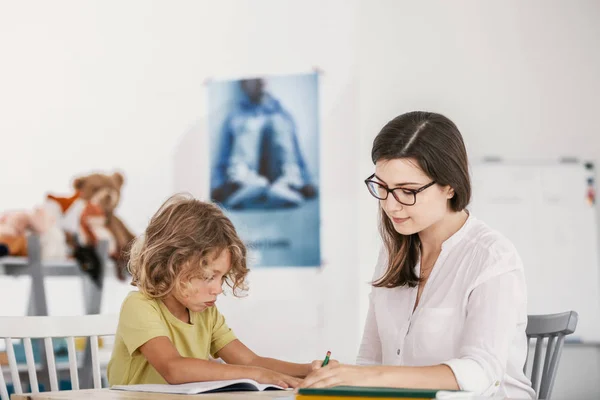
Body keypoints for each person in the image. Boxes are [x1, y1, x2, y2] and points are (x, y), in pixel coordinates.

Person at [300, 111, 536, 399]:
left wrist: (368, 376)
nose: (391, 206)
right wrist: (342, 378)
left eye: (407, 191)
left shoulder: (492, 257)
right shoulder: (392, 254)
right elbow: (371, 360)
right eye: (383, 188)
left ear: (450, 185)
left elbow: (481, 372)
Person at [107, 193, 325, 387]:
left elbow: (250, 361)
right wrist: (256, 375)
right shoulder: (139, 306)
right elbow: (173, 368)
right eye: (208, 277)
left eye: (222, 277)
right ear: (170, 265)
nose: (218, 289)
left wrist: (310, 369)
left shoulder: (206, 314)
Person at [211, 78, 317, 209]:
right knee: (249, 124)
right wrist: (217, 185)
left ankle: (288, 184)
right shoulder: (235, 116)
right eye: (254, 77)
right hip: (248, 179)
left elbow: (297, 153)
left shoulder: (282, 115)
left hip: (277, 176)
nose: (260, 79)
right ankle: (242, 186)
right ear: (243, 85)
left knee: (278, 122)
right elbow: (224, 155)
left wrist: (308, 181)